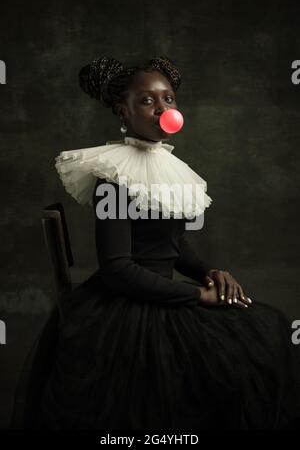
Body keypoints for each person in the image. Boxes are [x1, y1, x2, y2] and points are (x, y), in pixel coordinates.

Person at [39, 56, 300, 430]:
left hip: (165, 295)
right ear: (122, 111)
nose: (163, 109)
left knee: (266, 325)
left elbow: (172, 245)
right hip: (127, 307)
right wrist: (197, 296)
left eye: (169, 99)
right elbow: (117, 269)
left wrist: (209, 273)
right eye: (147, 101)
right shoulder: (115, 177)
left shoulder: (167, 167)